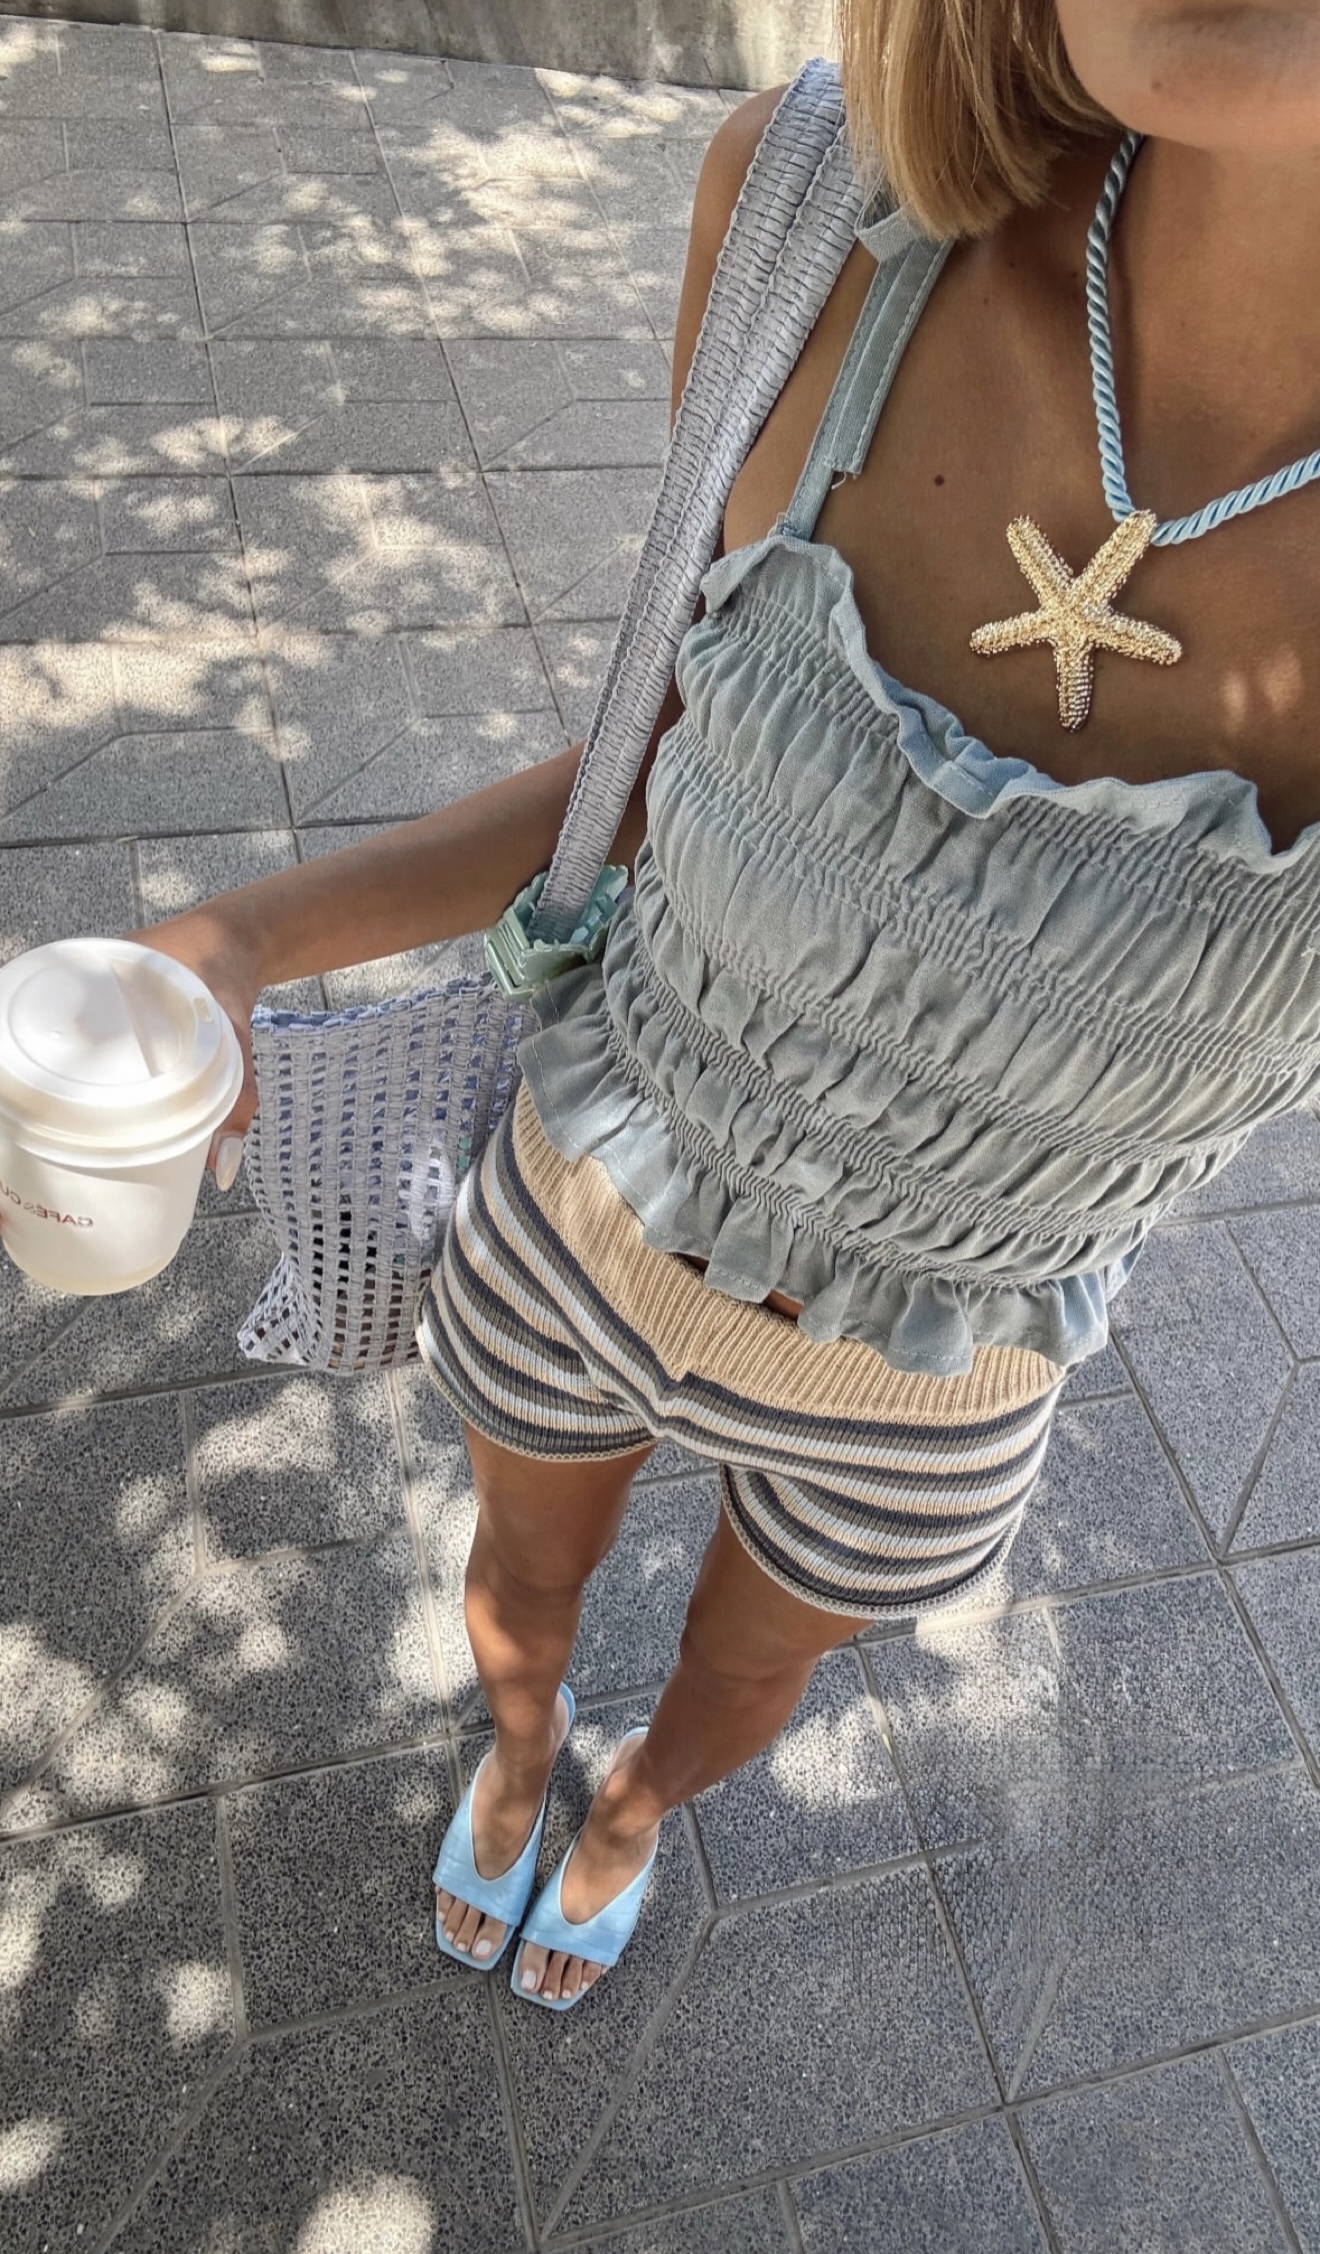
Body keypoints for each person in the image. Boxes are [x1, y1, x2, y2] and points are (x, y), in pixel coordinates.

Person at [139, 0, 1320, 2010]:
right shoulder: (812, 212)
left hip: (940, 1381)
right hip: (586, 1211)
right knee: (519, 1581)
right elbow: (676, 730)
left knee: (748, 1668)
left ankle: (630, 1809)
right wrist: (245, 936)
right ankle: (522, 1758)